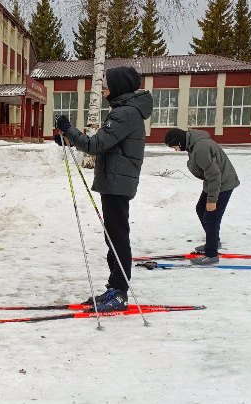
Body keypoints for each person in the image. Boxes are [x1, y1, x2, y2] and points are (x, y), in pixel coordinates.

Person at [54, 66, 153, 312]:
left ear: (118, 85)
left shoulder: (125, 113)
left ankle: (119, 293)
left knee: (117, 237)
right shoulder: (123, 111)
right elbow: (107, 145)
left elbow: (96, 144)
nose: (103, 88)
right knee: (113, 237)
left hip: (118, 184)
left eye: (106, 84)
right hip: (115, 182)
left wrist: (69, 129)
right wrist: (69, 139)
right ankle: (114, 287)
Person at [164, 128, 240, 265]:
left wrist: (212, 200)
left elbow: (215, 175)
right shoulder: (193, 144)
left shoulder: (200, 148)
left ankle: (211, 255)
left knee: (211, 217)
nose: (175, 150)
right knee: (201, 209)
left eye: (174, 147)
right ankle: (214, 241)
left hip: (223, 183)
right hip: (213, 182)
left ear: (179, 142)